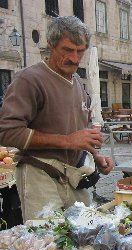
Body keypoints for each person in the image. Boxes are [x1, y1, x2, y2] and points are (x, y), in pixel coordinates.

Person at [0, 16, 114, 221]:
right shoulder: (29, 79)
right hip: (40, 176)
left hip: (75, 175)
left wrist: (95, 156)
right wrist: (67, 140)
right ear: (51, 45)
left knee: (86, 237)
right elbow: (7, 132)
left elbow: (79, 130)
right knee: (46, 244)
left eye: (81, 51)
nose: (75, 58)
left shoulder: (78, 82)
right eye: (68, 50)